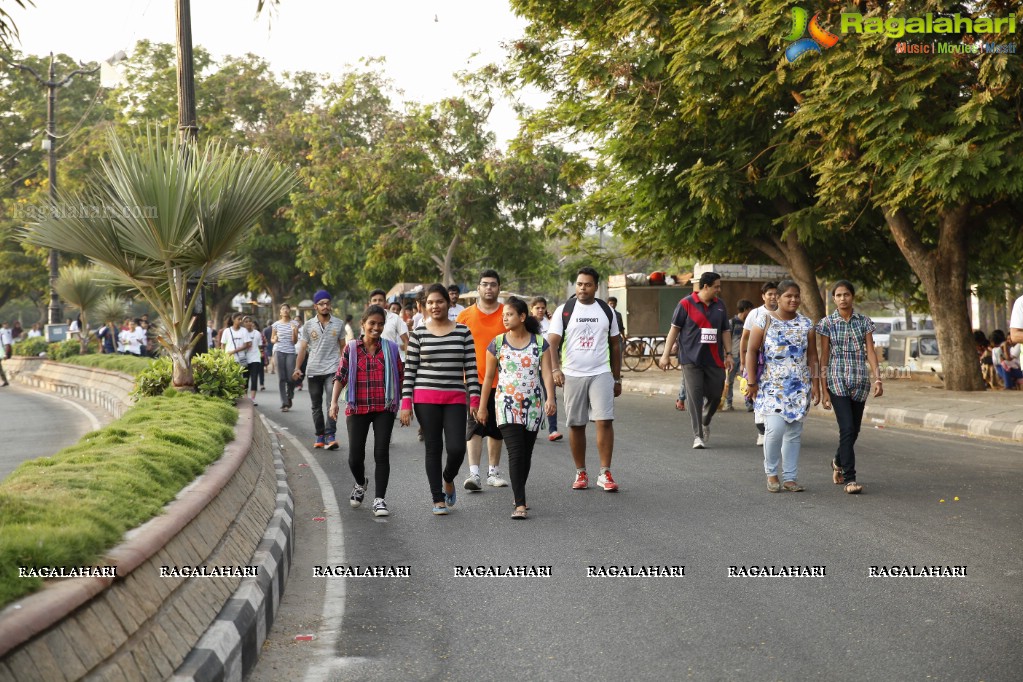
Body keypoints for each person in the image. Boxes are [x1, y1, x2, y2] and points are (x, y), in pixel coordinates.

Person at [399, 284, 481, 515]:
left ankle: (448, 478)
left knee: (456, 449)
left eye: (439, 301)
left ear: (448, 303)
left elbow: (471, 370)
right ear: (425, 306)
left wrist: (474, 399)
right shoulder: (419, 334)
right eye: (430, 303)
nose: (435, 306)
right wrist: (406, 405)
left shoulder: (463, 332)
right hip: (425, 399)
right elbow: (410, 371)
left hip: (455, 397)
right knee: (433, 447)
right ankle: (438, 498)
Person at [477, 297, 556, 519]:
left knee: (526, 453)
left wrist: (551, 398)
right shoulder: (497, 343)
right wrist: (483, 407)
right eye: (504, 315)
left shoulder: (541, 343)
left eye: (509, 314)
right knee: (515, 451)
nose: (505, 318)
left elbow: (547, 373)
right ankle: (519, 503)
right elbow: (489, 378)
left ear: (522, 317)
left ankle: (518, 491)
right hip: (506, 405)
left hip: (533, 405)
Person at [548, 267, 623, 492]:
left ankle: (604, 473)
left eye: (587, 284)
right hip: (572, 374)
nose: (582, 288)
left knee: (604, 420)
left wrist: (617, 378)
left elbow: (616, 345)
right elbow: (552, 342)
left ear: (596, 287)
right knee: (577, 424)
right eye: (579, 284)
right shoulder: (565, 310)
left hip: (601, 372)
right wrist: (555, 370)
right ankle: (581, 473)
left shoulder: (606, 311)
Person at [744, 280, 820, 493]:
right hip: (771, 386)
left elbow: (812, 355)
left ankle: (790, 478)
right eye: (788, 296)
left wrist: (815, 384)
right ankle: (771, 473)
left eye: (797, 296)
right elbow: (751, 350)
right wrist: (751, 381)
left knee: (794, 434)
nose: (794, 299)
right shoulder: (764, 320)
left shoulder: (806, 324)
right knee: (775, 430)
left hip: (798, 386)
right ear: (777, 298)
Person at [329, 305, 404, 517]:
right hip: (357, 407)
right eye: (372, 323)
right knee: (355, 457)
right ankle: (361, 483)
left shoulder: (390, 348)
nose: (376, 327)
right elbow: (341, 376)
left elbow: (401, 377)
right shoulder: (351, 349)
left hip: (384, 407)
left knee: (381, 453)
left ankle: (380, 499)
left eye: (380, 324)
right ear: (363, 324)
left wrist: (407, 404)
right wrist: (334, 402)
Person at [816, 280, 883, 494]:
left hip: (859, 380)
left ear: (852, 296)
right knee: (846, 428)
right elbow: (824, 355)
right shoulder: (827, 323)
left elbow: (870, 351)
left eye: (846, 294)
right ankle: (850, 478)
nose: (842, 298)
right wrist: (824, 387)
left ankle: (837, 461)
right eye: (838, 295)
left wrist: (878, 378)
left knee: (854, 430)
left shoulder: (864, 321)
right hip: (837, 379)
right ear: (833, 298)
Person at [658, 272, 733, 449]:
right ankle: (698, 435)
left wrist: (729, 354)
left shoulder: (720, 305)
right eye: (716, 286)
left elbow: (725, 331)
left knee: (716, 394)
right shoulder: (685, 304)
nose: (719, 290)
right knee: (695, 396)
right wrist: (665, 354)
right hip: (690, 359)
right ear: (705, 286)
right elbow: (674, 330)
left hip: (714, 359)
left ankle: (706, 420)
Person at [457, 269, 510, 490]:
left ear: (499, 288)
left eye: (493, 284)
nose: (489, 288)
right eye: (485, 284)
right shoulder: (465, 316)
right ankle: (474, 474)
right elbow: (457, 347)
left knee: (498, 427)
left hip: (504, 381)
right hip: (473, 381)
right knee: (474, 426)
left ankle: (493, 472)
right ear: (478, 288)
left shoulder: (507, 313)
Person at [293, 290, 347, 450]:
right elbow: (302, 348)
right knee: (316, 406)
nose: (325, 306)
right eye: (321, 304)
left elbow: (343, 346)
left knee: (332, 403)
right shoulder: (308, 325)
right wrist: (297, 367)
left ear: (330, 305)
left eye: (327, 303)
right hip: (313, 370)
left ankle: (331, 435)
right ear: (316, 306)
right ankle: (319, 435)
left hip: (332, 369)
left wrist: (345, 366)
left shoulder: (338, 323)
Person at [741, 282, 779, 443]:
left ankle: (773, 430)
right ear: (763, 296)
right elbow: (745, 338)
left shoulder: (785, 313)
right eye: (769, 294)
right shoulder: (755, 314)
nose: (773, 297)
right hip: (757, 363)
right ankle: (762, 431)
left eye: (776, 294)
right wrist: (743, 362)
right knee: (758, 396)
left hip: (777, 365)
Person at [531, 296, 562, 441]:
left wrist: (551, 322)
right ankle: (532, 427)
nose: (541, 310)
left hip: (547, 364)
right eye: (537, 308)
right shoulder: (526, 323)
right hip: (530, 365)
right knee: (533, 398)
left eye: (543, 307)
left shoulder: (550, 323)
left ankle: (553, 430)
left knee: (550, 396)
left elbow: (556, 340)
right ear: (531, 309)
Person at [725, 300, 755, 410]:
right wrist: (727, 355)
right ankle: (729, 403)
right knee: (730, 380)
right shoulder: (732, 322)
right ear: (746, 309)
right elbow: (726, 339)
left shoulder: (750, 323)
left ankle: (749, 404)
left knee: (747, 379)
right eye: (750, 309)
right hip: (733, 356)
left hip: (745, 356)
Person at [272, 304, 299, 411]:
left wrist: (294, 330)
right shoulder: (276, 324)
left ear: (289, 311)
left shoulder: (294, 323)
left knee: (290, 378)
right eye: (283, 308)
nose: (285, 310)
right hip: (279, 351)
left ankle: (290, 396)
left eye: (287, 308)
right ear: (280, 312)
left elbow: (295, 341)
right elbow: (272, 339)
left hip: (290, 352)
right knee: (281, 378)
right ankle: (285, 403)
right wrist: (275, 339)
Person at [368, 289, 410, 354]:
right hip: (373, 360)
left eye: (380, 300)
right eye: (374, 300)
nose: (377, 303)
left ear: (385, 303)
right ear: (370, 303)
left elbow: (406, 340)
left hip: (392, 359)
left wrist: (408, 362)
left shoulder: (395, 318)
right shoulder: (366, 320)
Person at [0, 321, 12, 387]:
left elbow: (7, 344)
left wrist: (5, 354)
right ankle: (5, 381)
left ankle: (5, 381)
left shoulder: (2, 333)